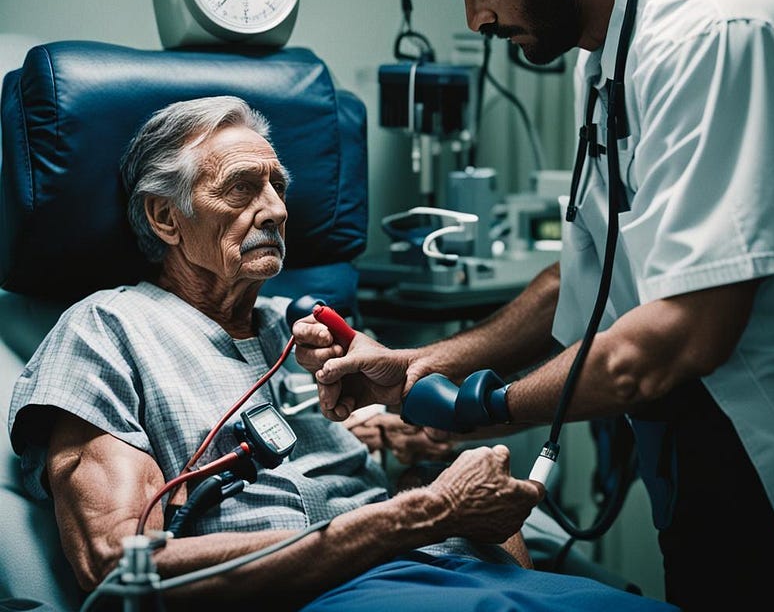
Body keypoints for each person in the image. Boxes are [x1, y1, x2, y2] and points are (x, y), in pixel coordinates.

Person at [292, 0, 774, 610]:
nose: (476, 21)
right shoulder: (602, 61)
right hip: (694, 451)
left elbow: (683, 332)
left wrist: (477, 410)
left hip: (770, 437)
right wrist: (427, 365)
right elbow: (586, 274)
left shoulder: (712, 32)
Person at [7, 96, 677, 612]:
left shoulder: (297, 334)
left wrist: (406, 445)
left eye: (278, 186)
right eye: (242, 188)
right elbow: (120, 569)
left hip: (454, 571)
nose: (275, 209)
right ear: (165, 218)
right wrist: (427, 511)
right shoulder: (105, 331)